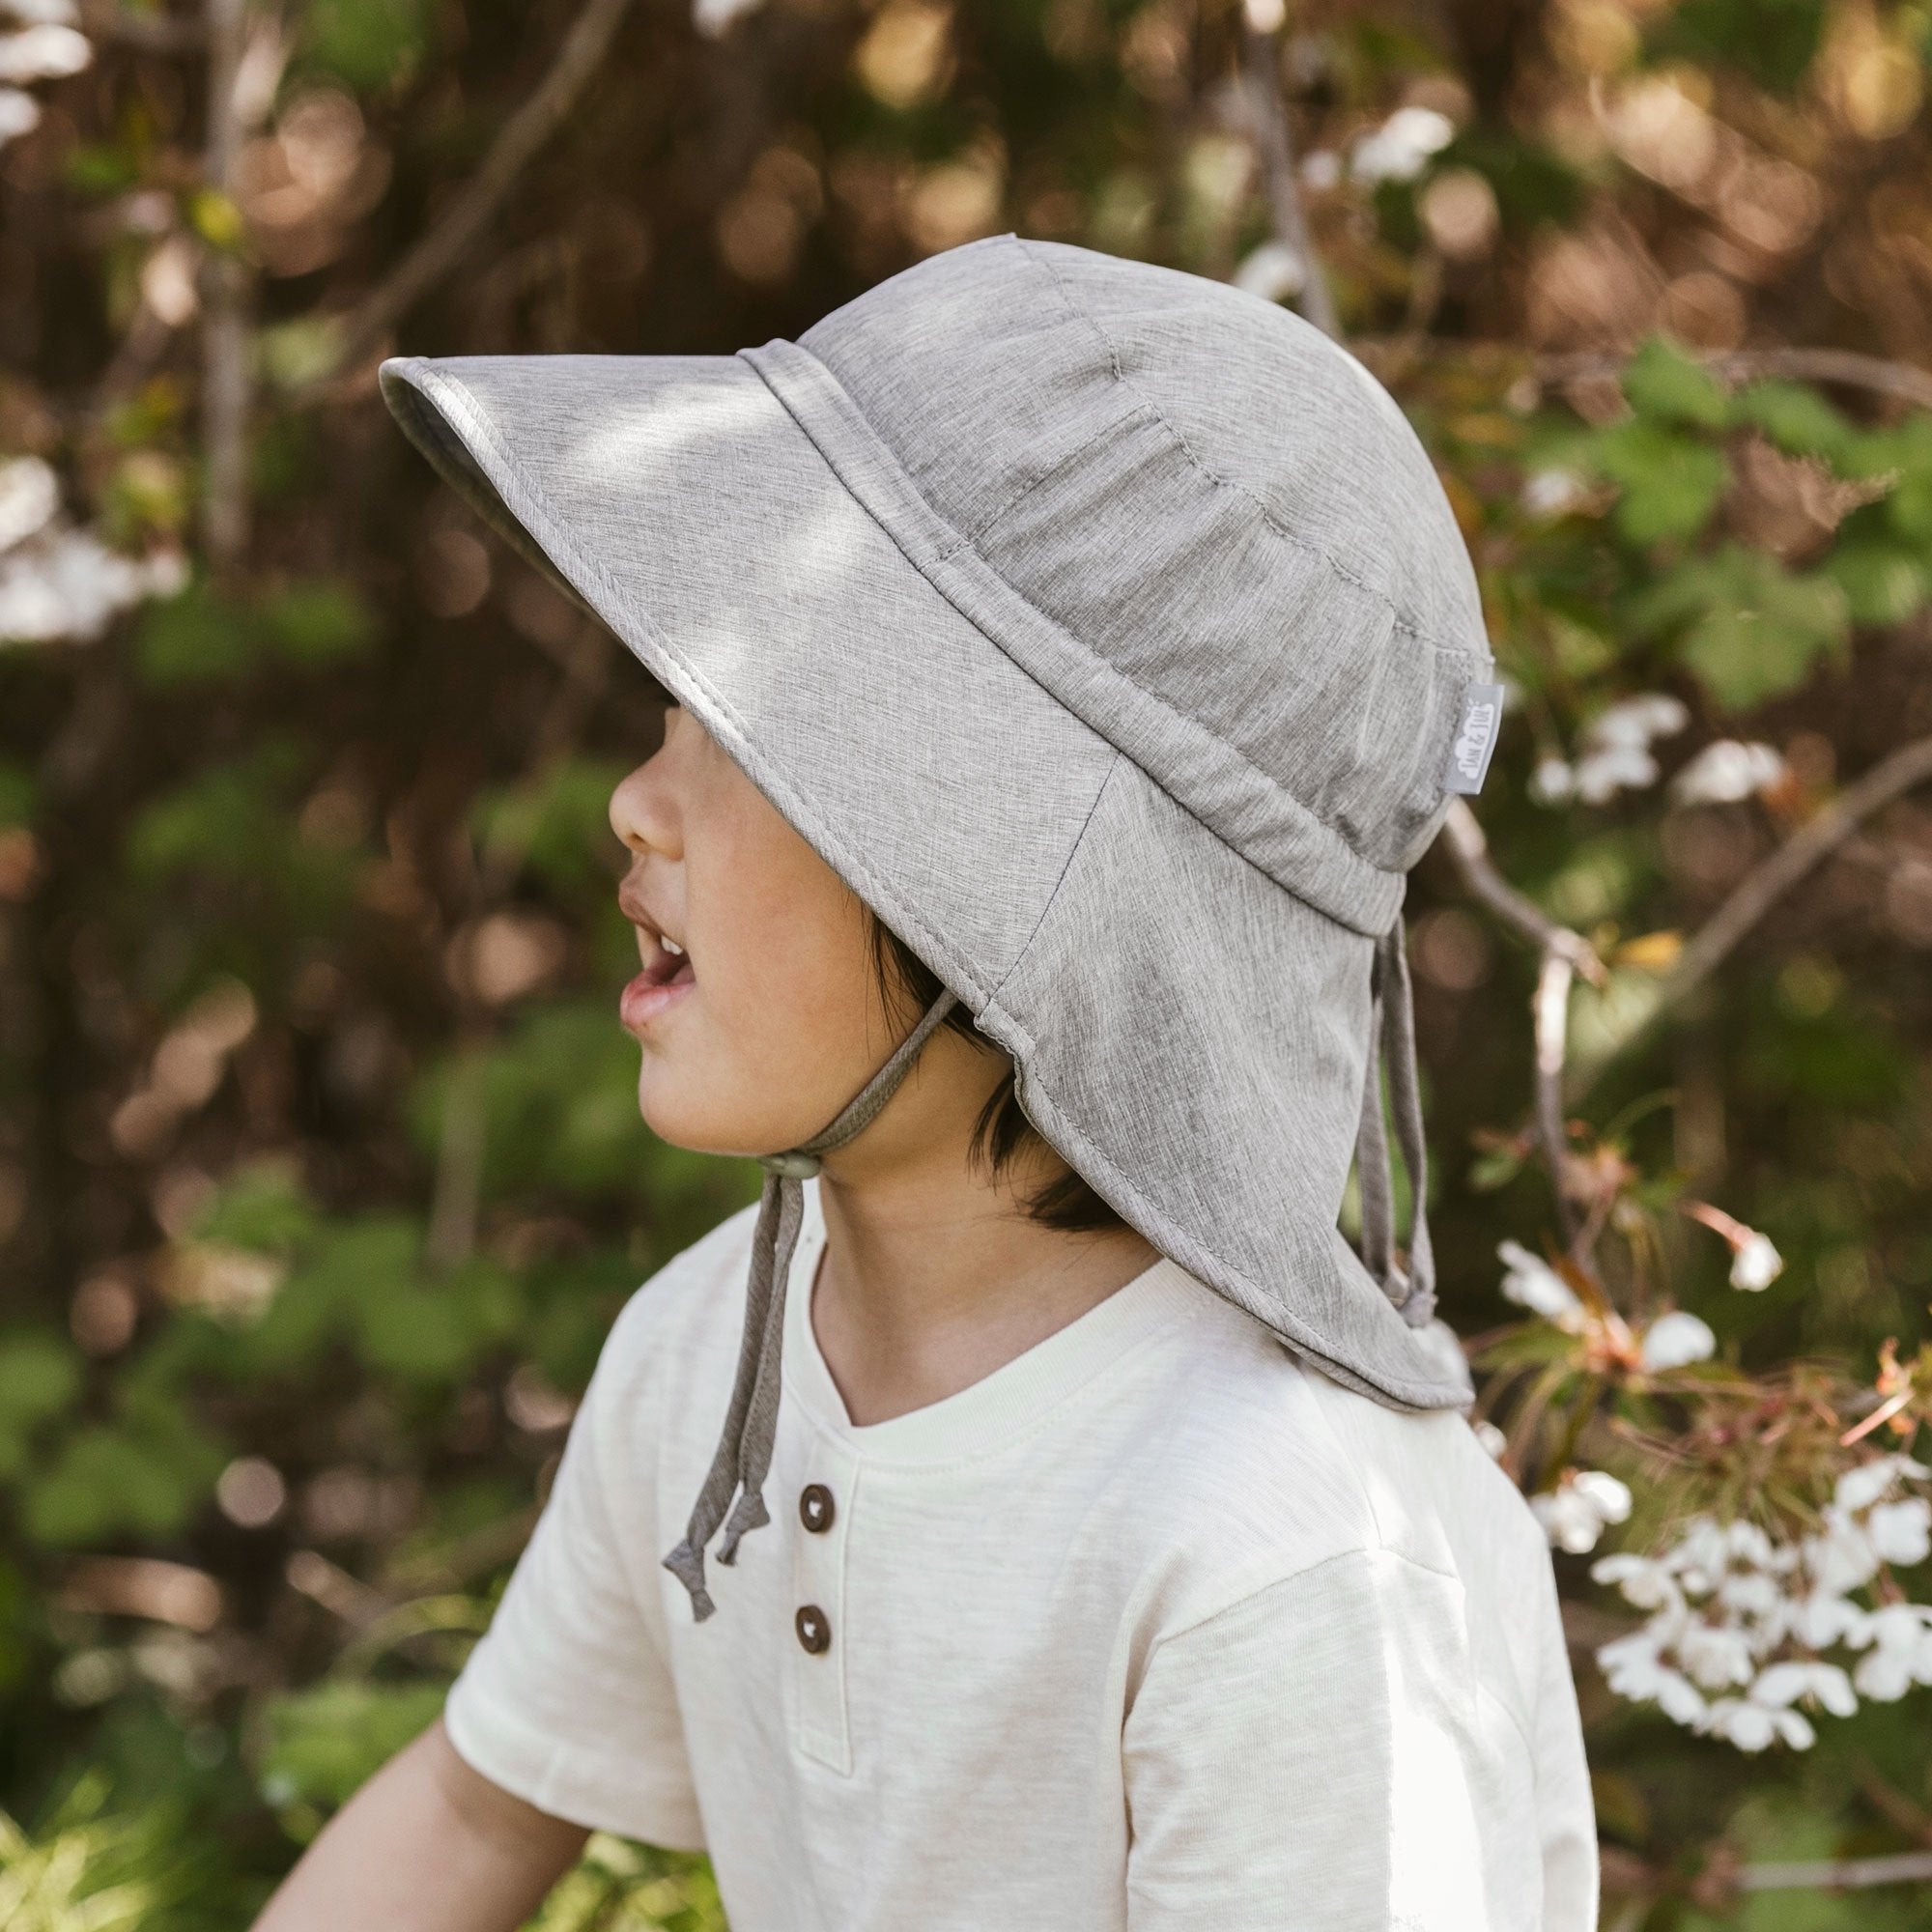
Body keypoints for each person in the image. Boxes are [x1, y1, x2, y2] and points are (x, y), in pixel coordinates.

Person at [255, 234, 1597, 1931]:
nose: (634, 805)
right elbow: (467, 1815)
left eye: (741, 733)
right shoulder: (713, 1353)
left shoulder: (1283, 1548)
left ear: (1009, 885)